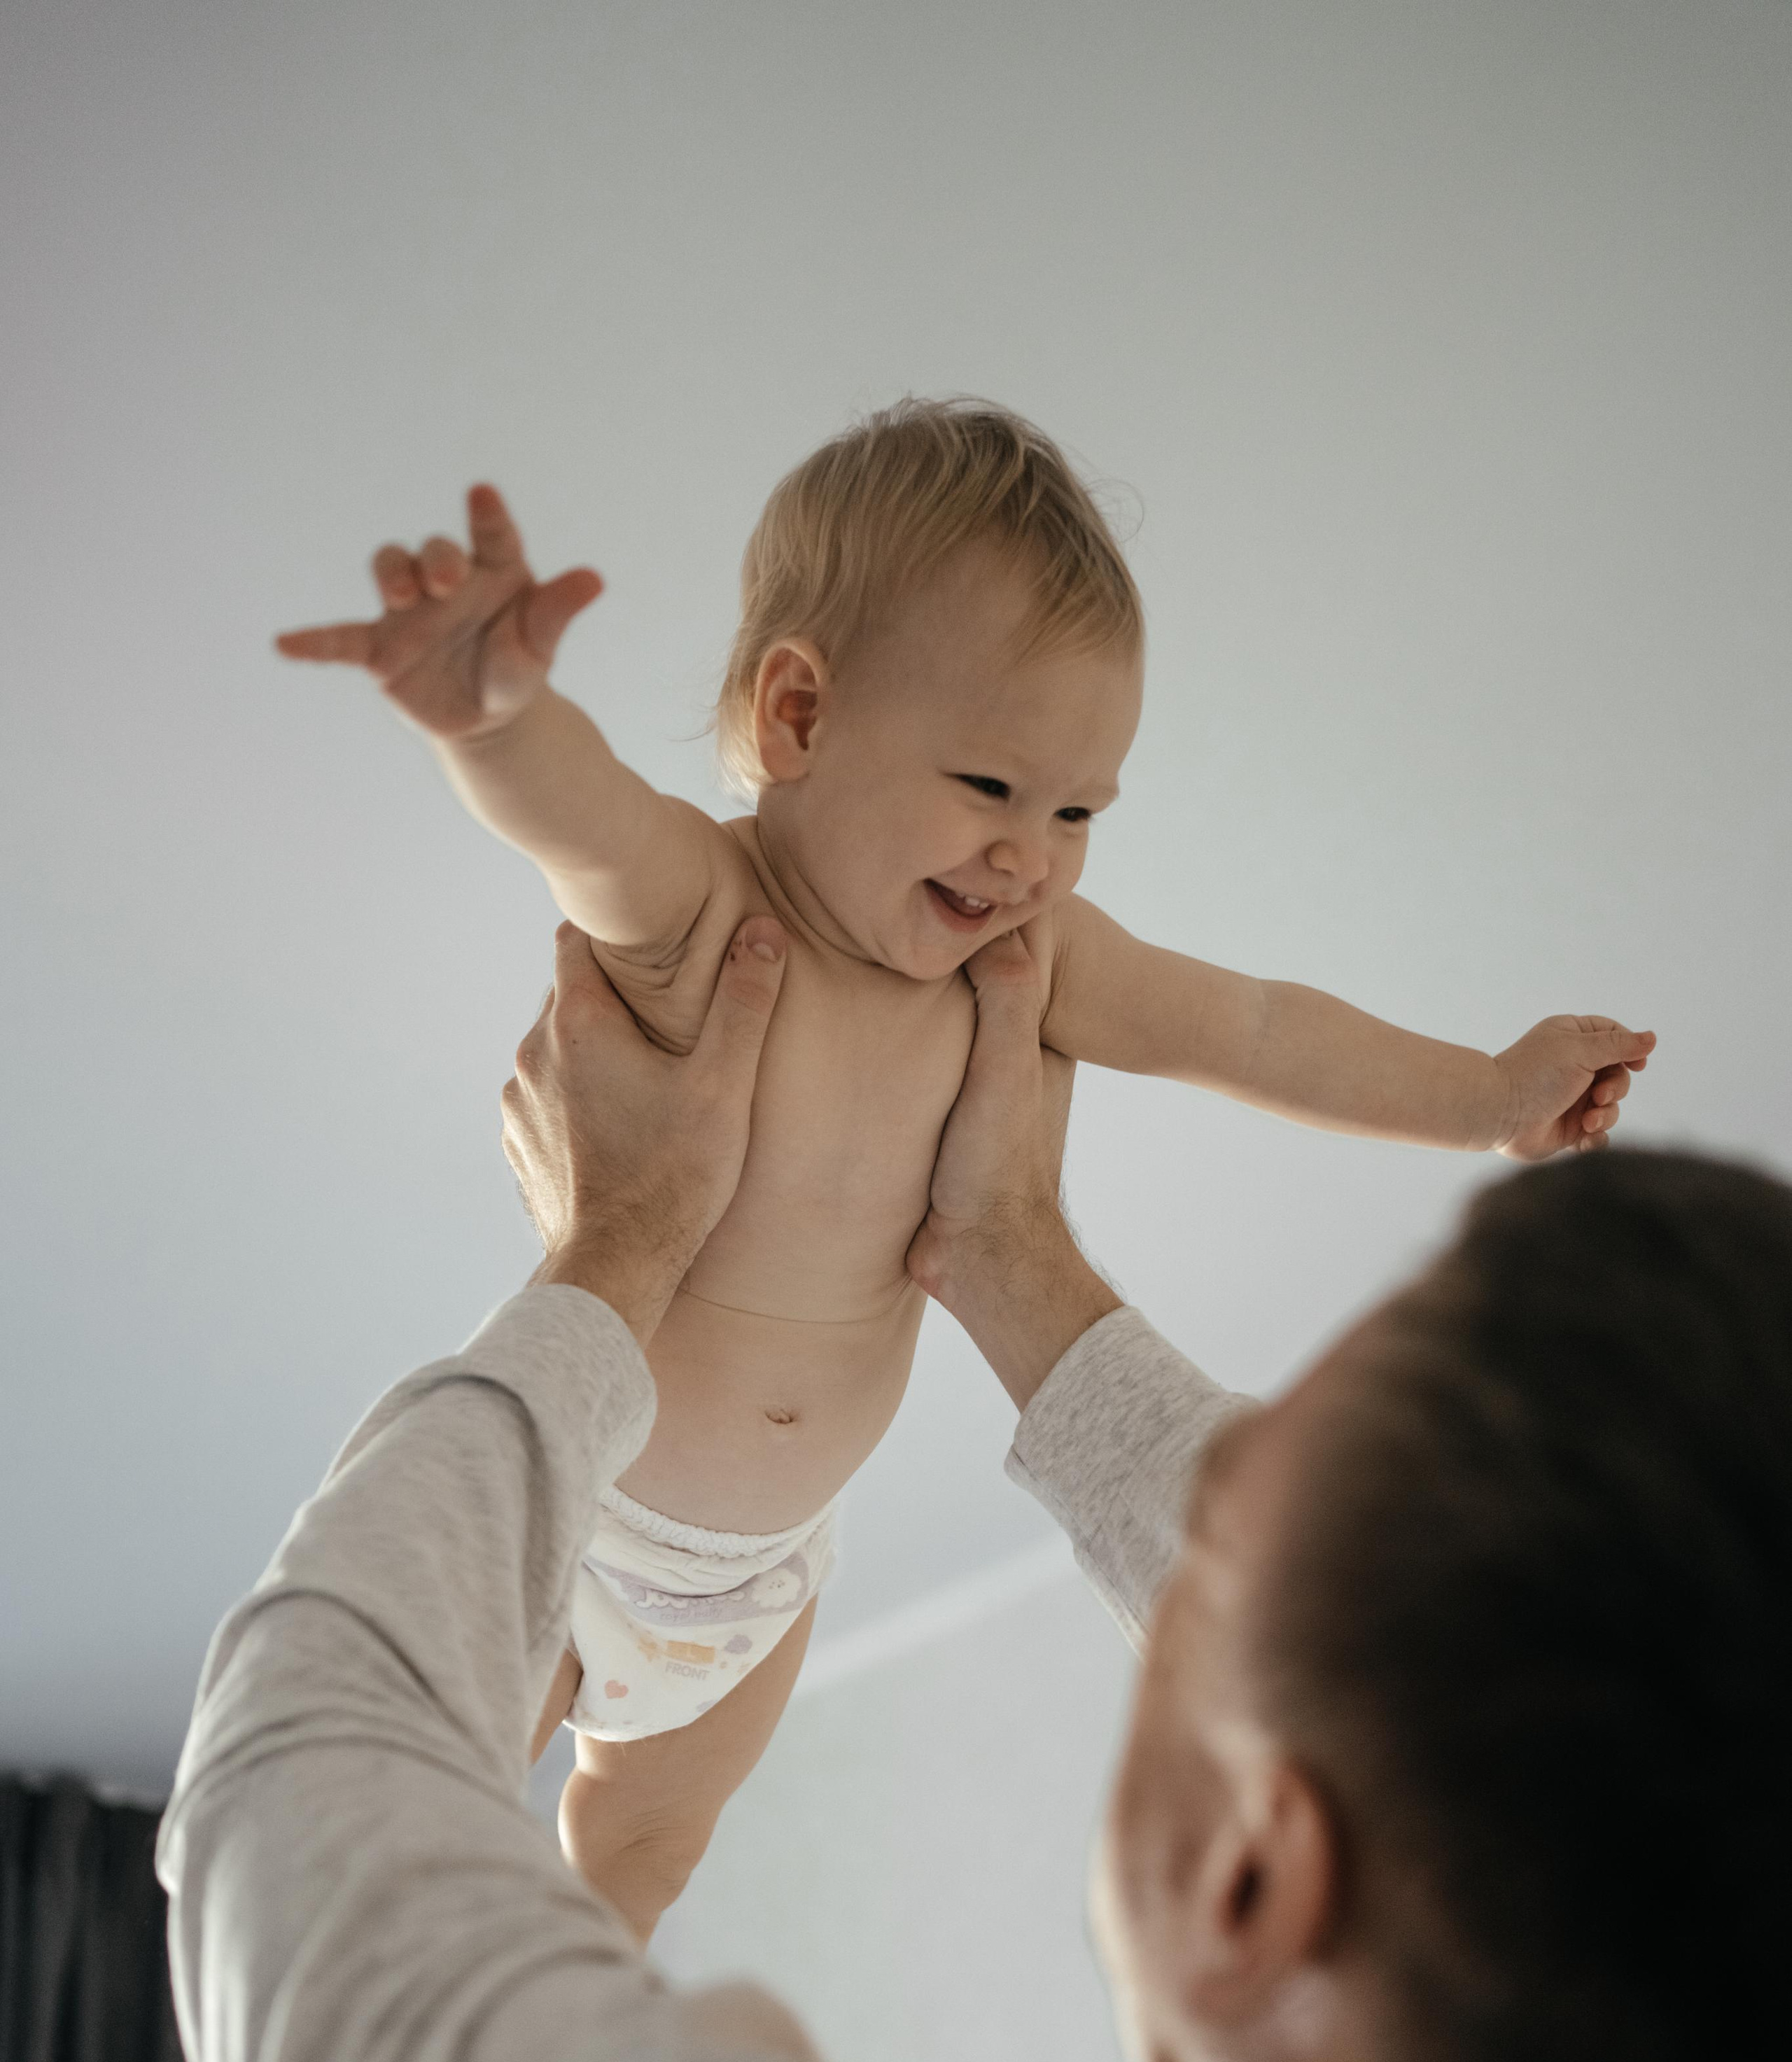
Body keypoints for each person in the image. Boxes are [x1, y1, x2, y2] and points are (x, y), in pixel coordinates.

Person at [164, 917, 1792, 2062]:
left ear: (1253, 1886)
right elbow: (1485, 1698)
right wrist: (1008, 1261)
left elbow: (308, 1743)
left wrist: (607, 1253)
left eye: (1226, 1504)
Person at [272, 399, 1653, 1935]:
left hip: (760, 1579)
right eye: (990, 789)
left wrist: (1479, 1098)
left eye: (1077, 812)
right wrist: (495, 719)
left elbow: (1250, 1027)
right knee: (404, 1853)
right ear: (795, 718)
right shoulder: (708, 909)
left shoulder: (1036, 958)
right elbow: (582, 824)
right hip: (570, 1507)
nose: (1033, 856)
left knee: (640, 1865)